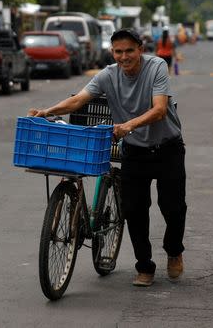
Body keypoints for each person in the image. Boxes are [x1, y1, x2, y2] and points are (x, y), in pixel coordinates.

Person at [28, 28, 186, 287]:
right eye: (118, 52)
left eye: (129, 51)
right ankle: (144, 266)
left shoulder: (156, 66)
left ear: (140, 50)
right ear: (113, 53)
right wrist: (47, 111)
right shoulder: (107, 75)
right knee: (134, 210)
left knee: (174, 208)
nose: (124, 57)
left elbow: (159, 110)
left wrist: (128, 126)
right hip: (134, 150)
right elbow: (78, 100)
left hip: (167, 147)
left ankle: (173, 250)